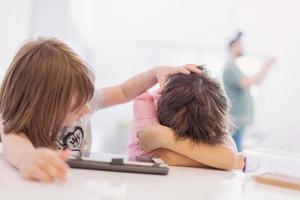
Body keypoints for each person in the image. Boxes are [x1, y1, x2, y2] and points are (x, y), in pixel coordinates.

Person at [0, 37, 202, 182]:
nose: (87, 108)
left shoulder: (83, 103)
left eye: (86, 100)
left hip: (75, 186)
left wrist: (155, 72)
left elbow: (123, 91)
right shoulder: (14, 124)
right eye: (77, 107)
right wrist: (28, 159)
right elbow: (14, 143)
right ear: (44, 107)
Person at [128, 66, 245, 170]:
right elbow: (159, 156)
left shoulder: (209, 113)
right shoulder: (146, 103)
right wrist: (223, 162)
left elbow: (229, 154)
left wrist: (166, 138)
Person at [222, 32, 274, 151]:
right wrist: (265, 67)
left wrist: (266, 69)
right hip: (236, 119)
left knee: (236, 149)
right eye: (240, 45)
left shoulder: (235, 67)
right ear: (234, 47)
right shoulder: (230, 68)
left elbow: (255, 81)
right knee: (235, 150)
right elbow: (247, 82)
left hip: (240, 119)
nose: (243, 48)